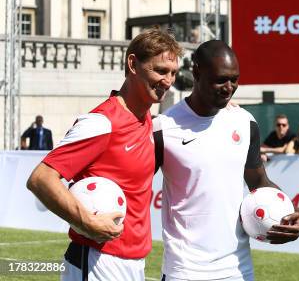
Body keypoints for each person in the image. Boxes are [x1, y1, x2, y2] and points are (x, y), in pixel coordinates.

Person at [26, 28, 182, 281]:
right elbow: (41, 179)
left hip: (133, 262)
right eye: (160, 70)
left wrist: (221, 106)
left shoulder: (147, 121)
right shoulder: (101, 123)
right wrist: (87, 223)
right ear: (133, 64)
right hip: (98, 260)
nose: (168, 80)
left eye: (173, 73)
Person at [153, 40, 299, 281]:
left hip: (237, 270)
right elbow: (135, 188)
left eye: (234, 79)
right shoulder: (164, 127)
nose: (229, 87)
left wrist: (294, 212)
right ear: (196, 72)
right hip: (184, 271)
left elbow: (259, 181)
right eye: (221, 79)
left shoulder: (245, 123)